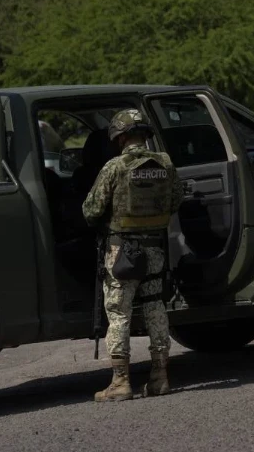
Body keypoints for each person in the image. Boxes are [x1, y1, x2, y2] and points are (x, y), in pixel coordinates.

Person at [82, 108, 183, 402]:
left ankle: (120, 382)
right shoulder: (165, 163)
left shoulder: (114, 167)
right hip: (155, 249)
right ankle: (160, 378)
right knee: (154, 308)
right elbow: (176, 199)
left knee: (119, 312)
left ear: (121, 136)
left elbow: (91, 210)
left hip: (122, 252)